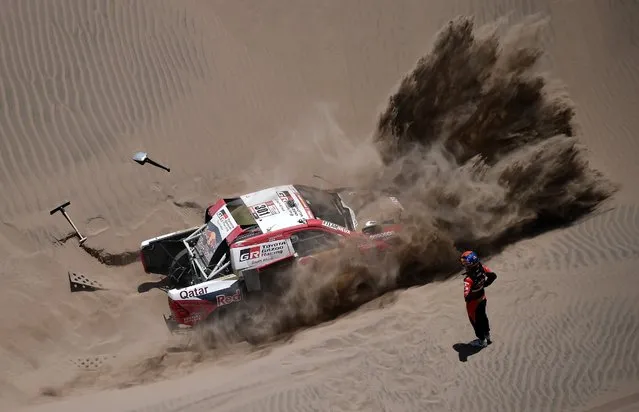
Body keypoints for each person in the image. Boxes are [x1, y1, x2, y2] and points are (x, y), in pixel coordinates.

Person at [460, 250, 497, 348]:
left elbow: (466, 297)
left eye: (465, 262)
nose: (464, 264)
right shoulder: (482, 268)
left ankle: (482, 341)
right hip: (483, 298)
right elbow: (493, 276)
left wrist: (473, 292)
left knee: (475, 322)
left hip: (473, 304)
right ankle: (487, 337)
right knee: (483, 317)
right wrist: (484, 285)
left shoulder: (468, 280)